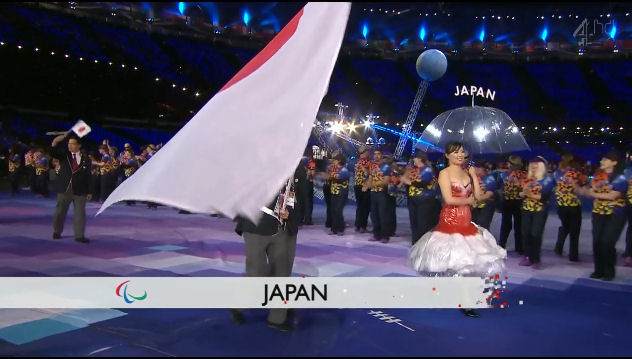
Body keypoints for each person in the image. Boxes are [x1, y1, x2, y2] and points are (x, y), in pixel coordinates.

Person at [409, 141, 506, 318]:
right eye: (455, 152)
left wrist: (474, 177)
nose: (460, 155)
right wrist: (469, 202)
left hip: (467, 219)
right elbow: (449, 199)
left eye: (462, 152)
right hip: (451, 219)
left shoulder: (467, 172)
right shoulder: (444, 174)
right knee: (455, 261)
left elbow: (478, 197)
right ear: (447, 155)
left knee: (468, 264)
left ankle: (466, 299)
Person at [231, 165, 303, 331]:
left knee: (282, 273)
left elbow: (301, 196)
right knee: (256, 274)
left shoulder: (297, 168)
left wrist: (291, 215)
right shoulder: (255, 162)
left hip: (284, 228)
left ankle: (277, 318)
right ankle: (239, 305)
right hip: (255, 226)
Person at [577, 151, 628, 281]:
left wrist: (590, 193)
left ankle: (609, 271)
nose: (601, 162)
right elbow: (589, 191)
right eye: (602, 160)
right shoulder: (598, 177)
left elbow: (613, 196)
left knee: (607, 242)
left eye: (605, 160)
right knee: (597, 242)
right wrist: (581, 190)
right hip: (598, 212)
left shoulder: (620, 178)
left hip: (615, 214)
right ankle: (598, 270)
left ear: (614, 162)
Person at [50, 133, 92, 243]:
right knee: (59, 212)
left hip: (80, 190)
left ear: (79, 145)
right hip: (65, 189)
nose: (70, 146)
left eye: (72, 144)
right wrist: (55, 141)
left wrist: (89, 191)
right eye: (69, 144)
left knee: (80, 214)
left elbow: (88, 176)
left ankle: (79, 235)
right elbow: (52, 152)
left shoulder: (86, 159)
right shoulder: (64, 155)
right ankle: (57, 231)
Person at [518, 156, 556, 267]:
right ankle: (527, 256)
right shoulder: (527, 179)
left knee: (536, 233)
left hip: (539, 209)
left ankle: (536, 258)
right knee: (525, 233)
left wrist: (528, 194)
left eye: (536, 165)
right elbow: (520, 194)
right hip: (526, 208)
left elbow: (543, 197)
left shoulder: (548, 180)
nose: (533, 167)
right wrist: (523, 192)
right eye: (532, 165)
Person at [400, 151, 440, 245]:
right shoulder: (414, 169)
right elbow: (406, 179)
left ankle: (422, 242)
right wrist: (406, 175)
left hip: (424, 199)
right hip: (413, 199)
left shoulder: (427, 170)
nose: (413, 160)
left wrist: (408, 182)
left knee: (422, 221)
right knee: (413, 220)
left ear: (419, 159)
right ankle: (415, 241)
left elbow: (424, 183)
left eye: (415, 158)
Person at [553, 153, 586, 262]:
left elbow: (554, 187)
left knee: (565, 226)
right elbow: (583, 187)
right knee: (574, 231)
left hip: (561, 206)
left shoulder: (557, 173)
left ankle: (559, 247)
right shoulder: (577, 173)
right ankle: (573, 255)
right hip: (573, 206)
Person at [498, 154, 527, 253]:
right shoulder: (503, 175)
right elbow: (499, 188)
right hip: (507, 201)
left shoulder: (524, 175)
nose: (511, 166)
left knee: (519, 225)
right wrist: (501, 194)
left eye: (514, 164)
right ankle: (501, 245)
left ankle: (520, 247)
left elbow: (526, 189)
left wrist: (518, 183)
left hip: (519, 202)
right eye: (510, 164)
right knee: (506, 224)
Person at [362, 149, 392, 243]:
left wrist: (372, 185)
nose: (376, 156)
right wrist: (366, 185)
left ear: (382, 155)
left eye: (378, 154)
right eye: (375, 154)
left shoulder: (386, 166)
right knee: (374, 215)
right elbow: (370, 178)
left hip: (382, 193)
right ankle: (376, 235)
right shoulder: (372, 166)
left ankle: (385, 236)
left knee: (383, 215)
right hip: (373, 193)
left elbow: (386, 181)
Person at [471, 160, 498, 231]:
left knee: (483, 226)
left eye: (476, 167)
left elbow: (489, 195)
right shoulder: (472, 178)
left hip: (486, 206)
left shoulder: (489, 178)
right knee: (473, 225)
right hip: (474, 206)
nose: (474, 169)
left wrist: (477, 198)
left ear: (482, 169)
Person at [328, 153, 350, 235]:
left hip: (341, 193)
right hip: (334, 192)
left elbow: (337, 177)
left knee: (338, 211)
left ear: (339, 161)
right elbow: (331, 176)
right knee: (333, 210)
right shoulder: (336, 169)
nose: (334, 162)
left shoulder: (344, 170)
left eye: (335, 160)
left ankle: (341, 229)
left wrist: (331, 175)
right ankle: (334, 229)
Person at [353, 146, 371, 233]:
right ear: (363, 153)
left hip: (359, 185)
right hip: (363, 186)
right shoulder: (367, 162)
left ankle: (359, 225)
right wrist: (364, 168)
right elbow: (367, 173)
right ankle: (361, 226)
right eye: (367, 152)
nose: (368, 153)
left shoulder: (357, 162)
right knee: (364, 206)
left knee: (361, 206)